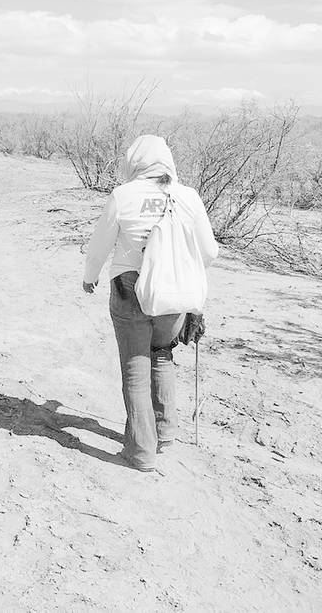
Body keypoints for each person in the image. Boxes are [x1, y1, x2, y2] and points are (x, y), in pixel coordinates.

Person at [82, 135, 218, 472]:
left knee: (135, 367)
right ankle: (164, 433)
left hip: (130, 287)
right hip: (174, 294)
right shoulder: (188, 196)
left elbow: (100, 246)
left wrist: (90, 276)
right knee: (161, 354)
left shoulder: (123, 195)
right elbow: (209, 252)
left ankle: (141, 451)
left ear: (135, 162)